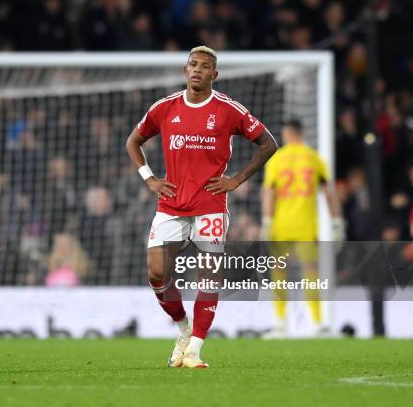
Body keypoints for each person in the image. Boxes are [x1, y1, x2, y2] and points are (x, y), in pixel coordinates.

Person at [125, 46, 277, 368]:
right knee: (156, 271)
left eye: (204, 66)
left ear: (214, 75)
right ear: (185, 71)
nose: (197, 70)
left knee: (208, 276)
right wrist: (149, 178)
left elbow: (268, 143)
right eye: (193, 64)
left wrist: (237, 179)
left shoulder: (227, 109)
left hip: (210, 204)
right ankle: (183, 329)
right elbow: (133, 142)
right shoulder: (165, 108)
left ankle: (194, 349)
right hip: (170, 204)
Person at [261, 119, 345, 338]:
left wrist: (267, 221)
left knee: (279, 274)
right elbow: (328, 192)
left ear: (287, 134)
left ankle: (280, 325)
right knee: (311, 273)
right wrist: (336, 221)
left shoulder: (276, 159)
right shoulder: (314, 158)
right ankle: (317, 324)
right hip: (307, 226)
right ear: (302, 133)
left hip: (280, 225)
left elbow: (269, 193)